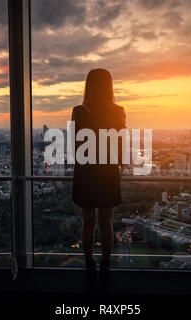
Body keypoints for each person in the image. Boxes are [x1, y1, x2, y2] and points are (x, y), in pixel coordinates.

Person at [72, 68, 126, 271]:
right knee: (106, 222)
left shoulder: (79, 111)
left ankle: (88, 263)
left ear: (88, 86)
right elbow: (120, 145)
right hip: (108, 172)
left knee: (88, 222)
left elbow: (76, 146)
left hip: (85, 172)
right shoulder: (118, 110)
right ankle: (105, 263)